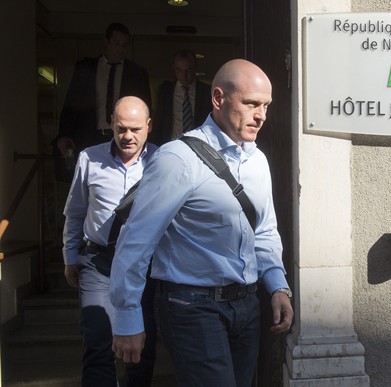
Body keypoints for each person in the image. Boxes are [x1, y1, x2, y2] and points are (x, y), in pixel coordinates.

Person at [109, 59, 294, 387]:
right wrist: (127, 317)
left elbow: (263, 229)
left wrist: (277, 285)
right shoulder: (177, 159)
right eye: (251, 103)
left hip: (247, 305)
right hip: (190, 307)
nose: (261, 115)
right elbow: (136, 241)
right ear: (218, 98)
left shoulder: (257, 160)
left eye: (265, 105)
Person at [62, 96, 158, 387]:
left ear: (149, 127)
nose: (127, 136)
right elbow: (76, 212)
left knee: (143, 347)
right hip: (98, 262)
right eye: (121, 128)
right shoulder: (89, 158)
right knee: (97, 338)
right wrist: (69, 257)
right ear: (111, 125)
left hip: (145, 266)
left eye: (135, 129)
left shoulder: (164, 161)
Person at [53, 22, 151, 181]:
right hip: (90, 135)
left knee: (122, 180)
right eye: (116, 43)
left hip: (122, 136)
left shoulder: (136, 73)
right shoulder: (86, 68)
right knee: (87, 182)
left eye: (124, 45)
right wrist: (64, 134)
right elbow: (71, 103)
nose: (120, 49)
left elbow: (145, 108)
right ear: (106, 42)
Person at [149, 49, 212, 146]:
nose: (184, 75)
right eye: (179, 70)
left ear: (195, 68)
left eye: (188, 70)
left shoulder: (207, 92)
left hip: (199, 146)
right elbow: (159, 122)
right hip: (170, 144)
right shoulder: (165, 90)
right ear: (173, 68)